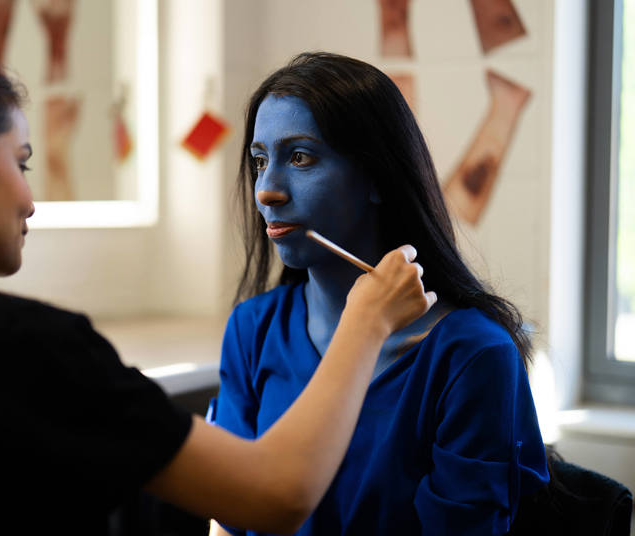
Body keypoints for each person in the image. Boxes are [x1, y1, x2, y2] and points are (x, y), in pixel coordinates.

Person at [0, 37, 435, 534]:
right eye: (21, 160)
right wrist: (367, 320)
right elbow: (278, 495)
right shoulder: (24, 349)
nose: (30, 200)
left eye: (301, 157)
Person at [207, 52, 549, 536]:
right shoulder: (252, 329)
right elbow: (229, 515)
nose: (266, 190)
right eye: (260, 161)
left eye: (300, 157)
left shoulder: (474, 355)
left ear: (376, 178)